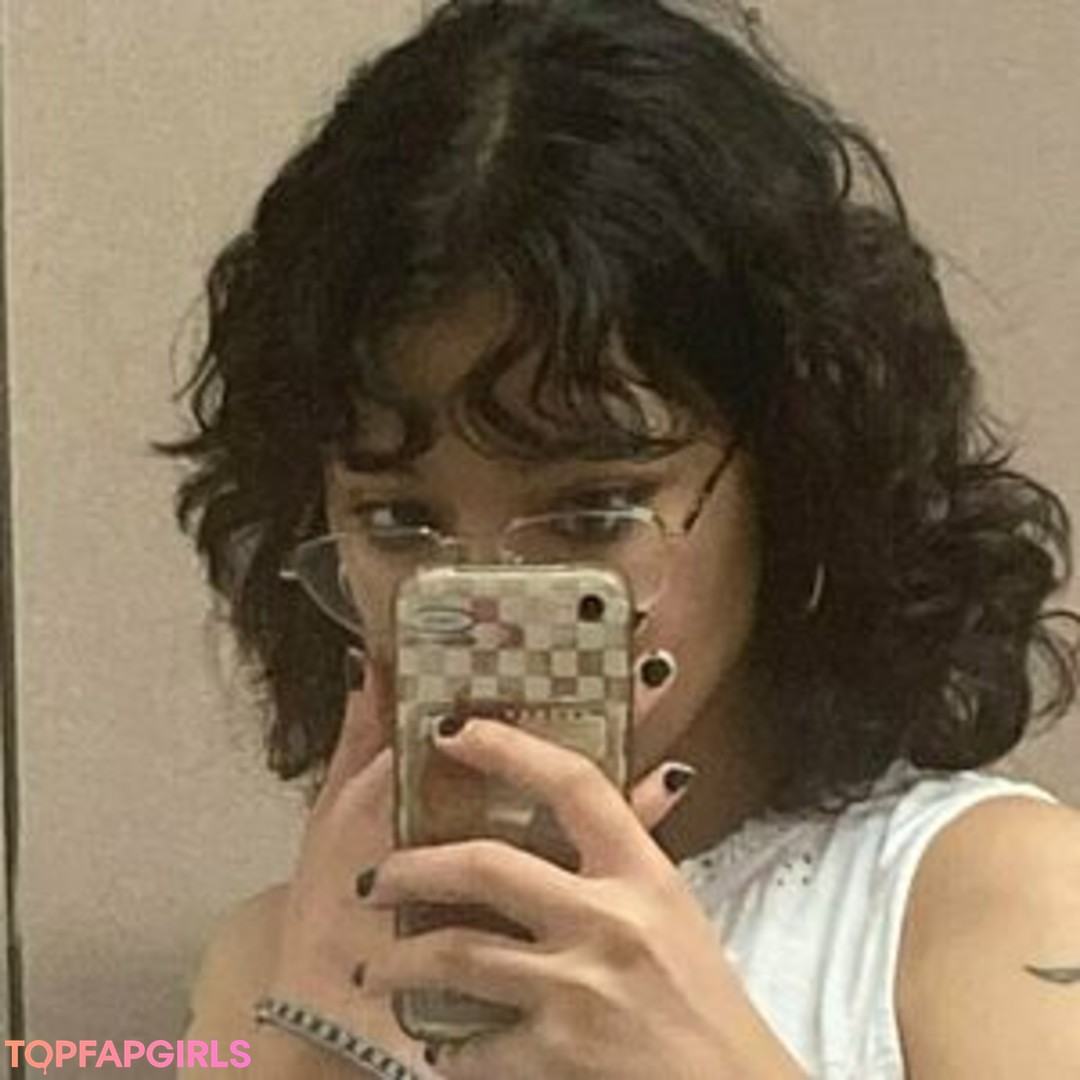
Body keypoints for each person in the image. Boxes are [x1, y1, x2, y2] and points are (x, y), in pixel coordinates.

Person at [167, 1, 1080, 1076]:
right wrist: (303, 1051)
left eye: (595, 512)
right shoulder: (277, 959)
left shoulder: (997, 898)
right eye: (401, 522)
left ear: (791, 481)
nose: (488, 608)